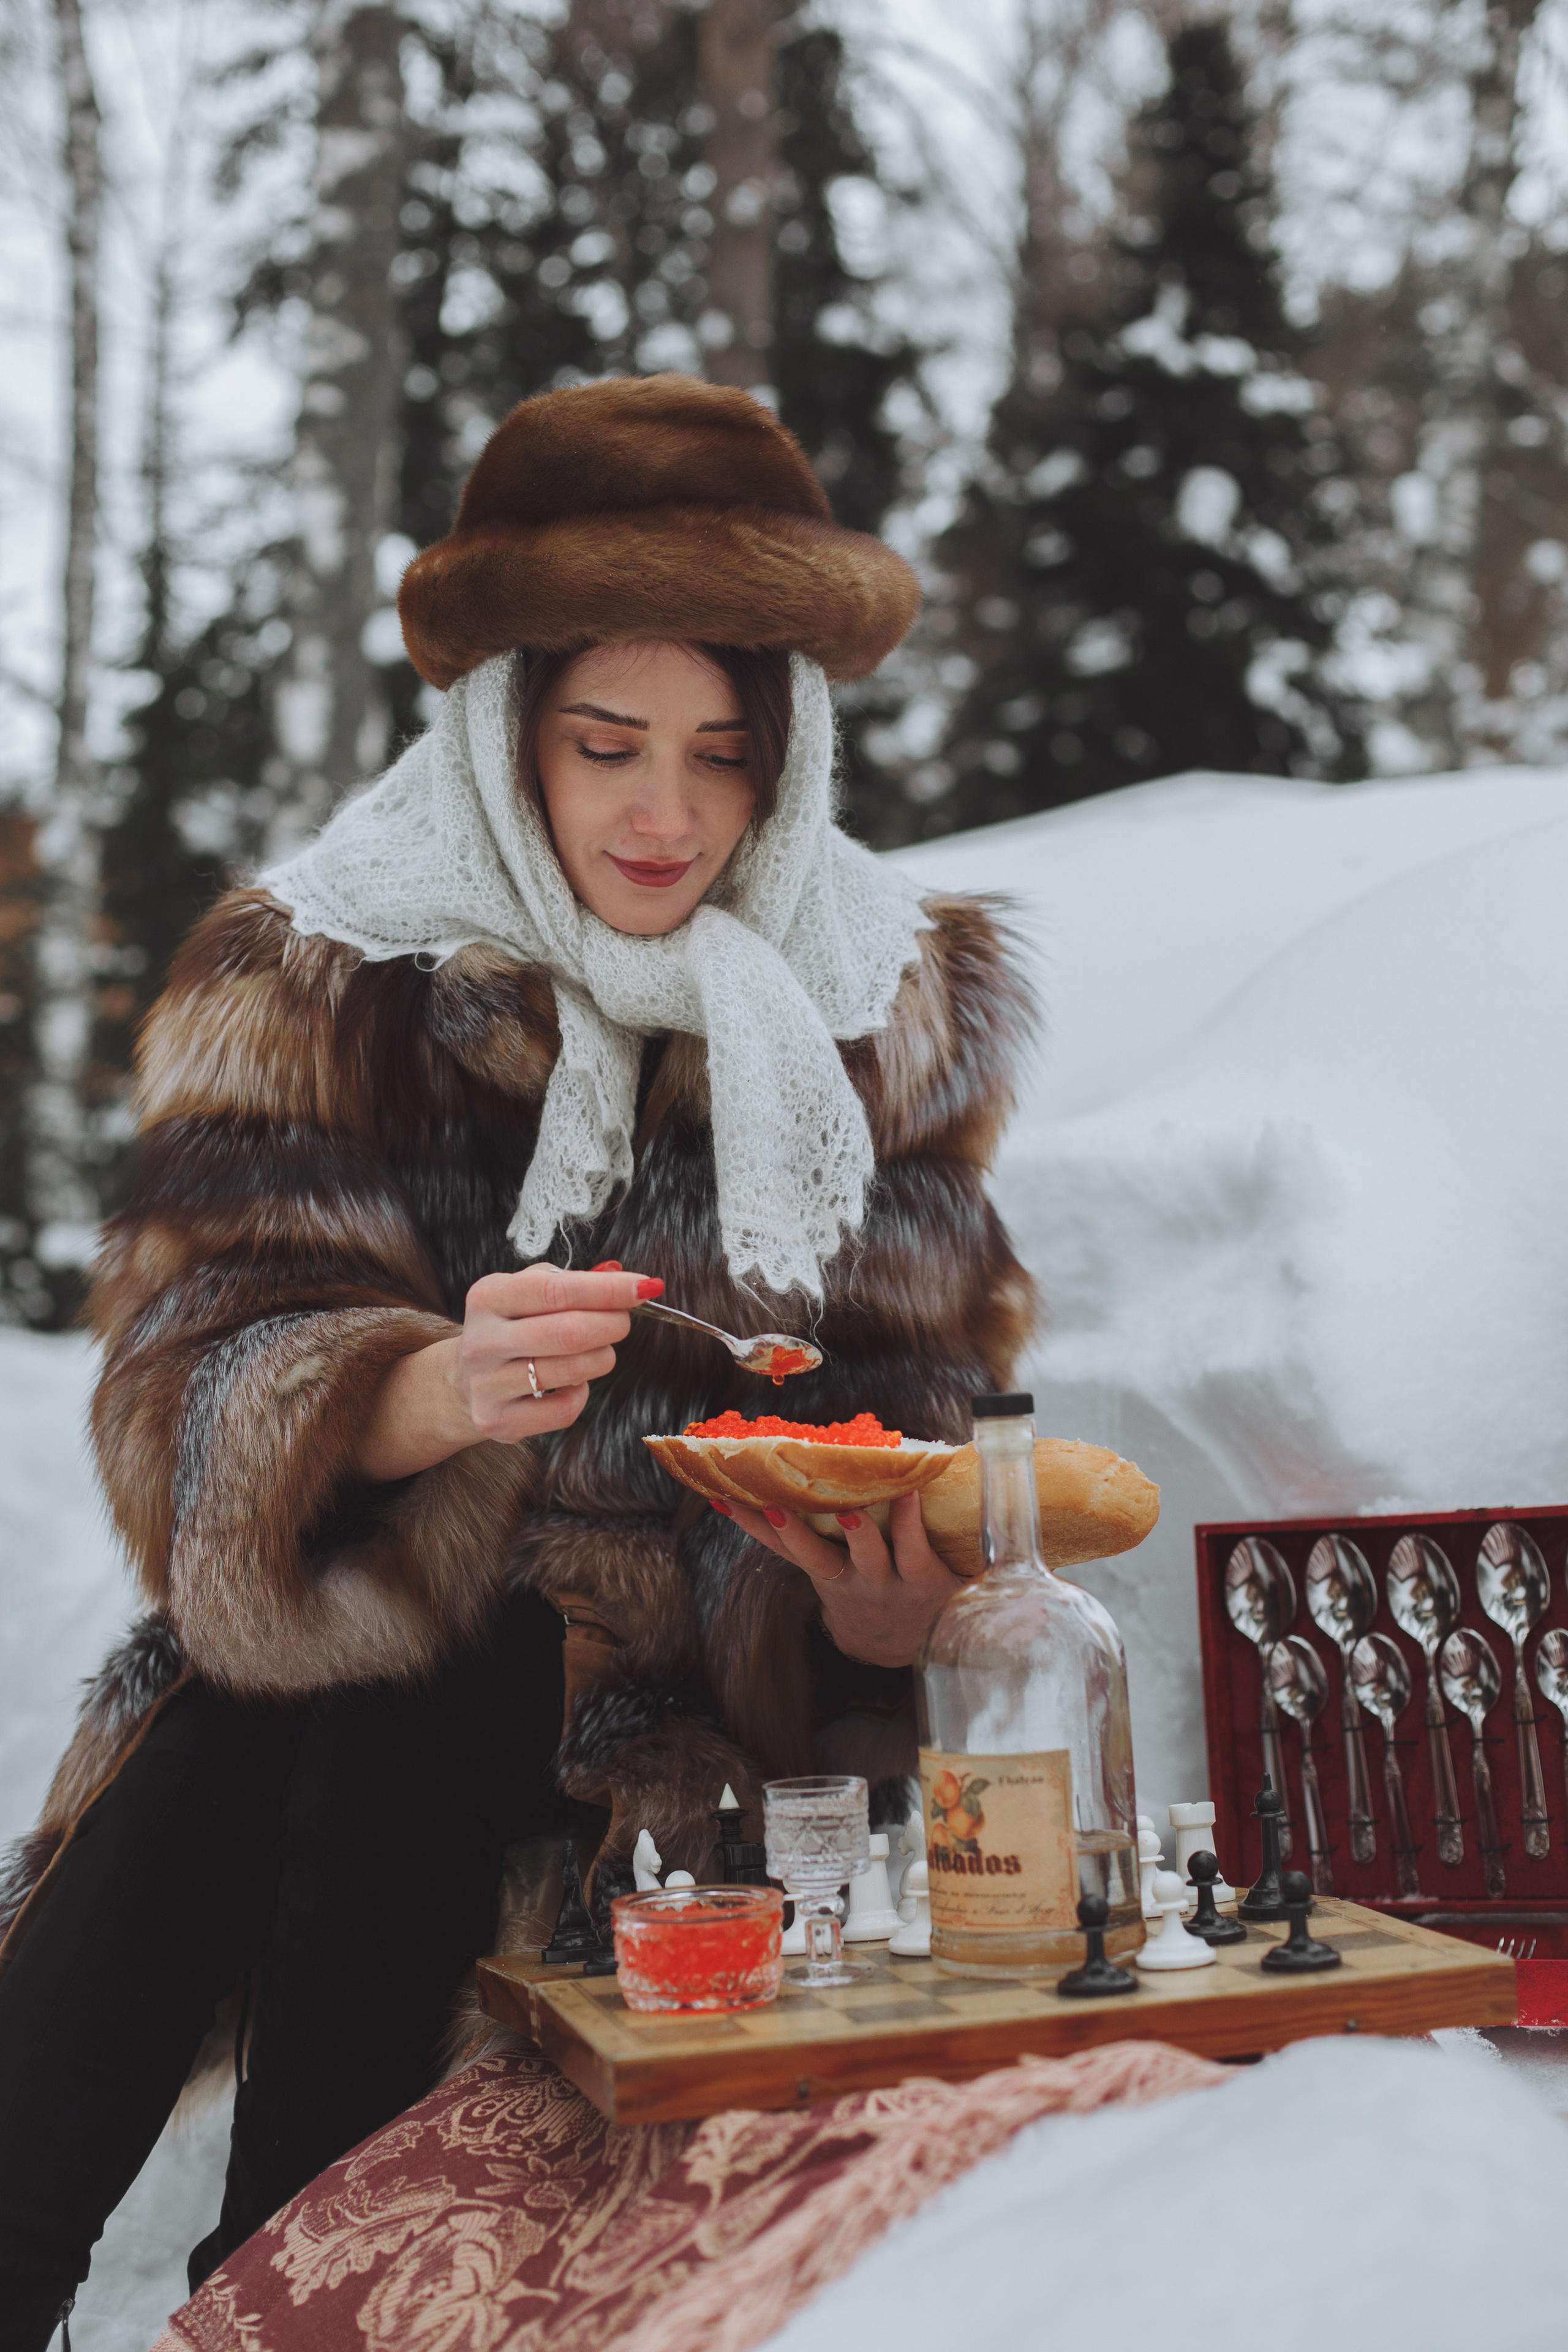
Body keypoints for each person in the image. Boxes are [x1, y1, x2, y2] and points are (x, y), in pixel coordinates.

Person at [0, 373, 1036, 2348]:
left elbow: (923, 1426)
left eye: (723, 757)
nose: (667, 816)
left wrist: (894, 1611)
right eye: (609, 745)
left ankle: (266, 2288)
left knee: (381, 1688)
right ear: (506, 736)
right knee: (360, 1671)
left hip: (691, 1755)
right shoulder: (328, 972)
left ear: (789, 761)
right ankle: (277, 2294)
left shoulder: (873, 1010)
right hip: (339, 1664)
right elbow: (184, 1406)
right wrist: (418, 1395)